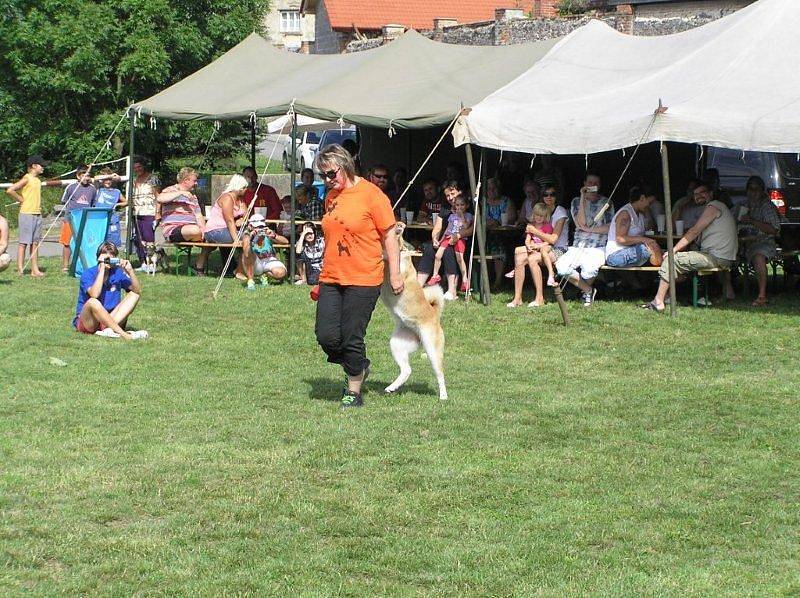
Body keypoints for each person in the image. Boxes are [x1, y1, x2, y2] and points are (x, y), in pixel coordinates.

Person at [314, 144, 402, 408]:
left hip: (364, 277)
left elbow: (389, 235)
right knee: (326, 335)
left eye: (331, 174)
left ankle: (353, 390)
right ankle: (360, 365)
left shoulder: (372, 195)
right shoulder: (331, 197)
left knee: (352, 335)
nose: (328, 180)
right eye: (323, 176)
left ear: (346, 165)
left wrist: (395, 273)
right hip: (331, 275)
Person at [642, 182, 737, 312]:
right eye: (695, 194)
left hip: (716, 257)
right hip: (724, 256)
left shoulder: (713, 207)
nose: (698, 196)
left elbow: (694, 231)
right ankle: (670, 296)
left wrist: (673, 250)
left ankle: (659, 301)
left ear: (710, 193)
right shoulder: (718, 207)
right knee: (685, 256)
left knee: (672, 259)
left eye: (702, 192)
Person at [507, 185, 570, 308]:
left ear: (557, 196)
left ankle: (539, 298)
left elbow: (553, 239)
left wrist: (534, 232)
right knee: (519, 258)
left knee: (532, 259)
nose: (549, 197)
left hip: (558, 248)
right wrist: (531, 242)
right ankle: (517, 298)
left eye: (552, 194)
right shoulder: (541, 211)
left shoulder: (560, 212)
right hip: (541, 246)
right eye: (545, 194)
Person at [556, 173, 613, 306]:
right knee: (562, 268)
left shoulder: (607, 202)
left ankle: (584, 292)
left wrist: (590, 230)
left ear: (600, 186)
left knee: (589, 270)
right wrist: (582, 197)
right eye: (590, 182)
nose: (592, 185)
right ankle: (588, 290)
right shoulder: (576, 201)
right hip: (578, 246)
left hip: (598, 246)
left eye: (596, 183)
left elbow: (609, 227)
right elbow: (579, 223)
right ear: (584, 184)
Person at [73, 241, 147, 340]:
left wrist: (130, 271)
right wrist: (102, 269)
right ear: (98, 258)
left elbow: (137, 291)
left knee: (134, 295)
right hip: (90, 321)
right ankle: (124, 335)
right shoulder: (88, 274)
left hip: (111, 317)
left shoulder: (117, 273)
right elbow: (94, 294)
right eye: (105, 259)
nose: (108, 262)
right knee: (93, 302)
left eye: (110, 259)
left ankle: (108, 330)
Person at [416, 179, 465, 300]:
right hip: (445, 239)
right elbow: (438, 226)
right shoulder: (445, 208)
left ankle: (451, 290)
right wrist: (434, 238)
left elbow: (472, 227)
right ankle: (418, 286)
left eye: (452, 194)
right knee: (429, 249)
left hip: (461, 241)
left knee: (448, 251)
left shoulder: (465, 206)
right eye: (447, 195)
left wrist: (458, 235)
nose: (450, 198)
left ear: (460, 192)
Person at [739, 175, 781, 306]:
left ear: (762, 191)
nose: (753, 192)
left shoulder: (766, 207)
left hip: (763, 242)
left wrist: (751, 220)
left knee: (759, 257)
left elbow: (774, 230)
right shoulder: (742, 205)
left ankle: (762, 295)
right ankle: (726, 291)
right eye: (750, 189)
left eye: (757, 189)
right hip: (742, 242)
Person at [195, 174, 249, 274]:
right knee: (247, 239)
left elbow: (246, 214)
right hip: (215, 231)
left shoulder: (240, 199)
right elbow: (229, 220)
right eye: (244, 187)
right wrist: (236, 239)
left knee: (248, 237)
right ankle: (239, 271)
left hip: (227, 230)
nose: (246, 189)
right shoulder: (227, 198)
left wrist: (243, 219)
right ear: (238, 188)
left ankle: (237, 268)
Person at [6, 155, 48, 277]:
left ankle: (34, 270)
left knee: (35, 243)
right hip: (26, 214)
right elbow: (10, 190)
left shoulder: (38, 180)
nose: (43, 168)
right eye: (41, 165)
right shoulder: (27, 178)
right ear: (34, 166)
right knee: (23, 243)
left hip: (37, 214)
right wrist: (21, 199)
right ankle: (20, 269)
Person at [605, 185, 663, 268]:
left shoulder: (640, 214)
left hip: (630, 251)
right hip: (616, 255)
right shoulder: (626, 213)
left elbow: (650, 227)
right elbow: (620, 239)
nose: (649, 206)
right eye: (649, 203)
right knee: (646, 250)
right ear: (642, 198)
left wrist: (647, 212)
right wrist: (644, 239)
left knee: (658, 249)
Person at [427, 195, 473, 293]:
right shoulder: (451, 216)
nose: (459, 207)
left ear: (467, 206)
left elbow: (466, 226)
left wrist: (461, 216)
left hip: (460, 238)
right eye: (457, 205)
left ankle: (465, 280)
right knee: (438, 255)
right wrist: (441, 239)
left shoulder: (468, 215)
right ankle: (435, 276)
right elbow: (448, 228)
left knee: (460, 259)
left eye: (462, 205)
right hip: (448, 237)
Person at [59, 165, 97, 272]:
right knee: (67, 243)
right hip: (70, 220)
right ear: (78, 176)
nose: (86, 178)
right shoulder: (71, 187)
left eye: (88, 176)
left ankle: (82, 264)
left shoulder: (92, 189)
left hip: (85, 220)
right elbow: (64, 201)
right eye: (83, 175)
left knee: (84, 243)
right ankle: (65, 265)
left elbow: (93, 204)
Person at [157, 167, 204, 244]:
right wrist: (180, 193)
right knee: (195, 231)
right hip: (173, 230)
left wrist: (203, 229)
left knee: (209, 234)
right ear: (186, 180)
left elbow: (199, 215)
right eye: (194, 181)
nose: (196, 183)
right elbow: (160, 198)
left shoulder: (193, 197)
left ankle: (203, 255)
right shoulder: (170, 190)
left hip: (191, 230)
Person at [484, 177, 517, 288]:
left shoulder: (506, 201)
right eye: (489, 188)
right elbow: (478, 219)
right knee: (483, 243)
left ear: (499, 188)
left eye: (494, 188)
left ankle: (498, 280)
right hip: (486, 233)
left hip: (504, 234)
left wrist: (496, 222)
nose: (491, 191)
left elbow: (511, 218)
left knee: (498, 244)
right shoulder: (483, 202)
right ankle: (486, 279)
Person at [243, 213, 288, 290]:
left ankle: (265, 276)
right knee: (248, 254)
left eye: (262, 227)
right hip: (255, 263)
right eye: (257, 227)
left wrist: (274, 236)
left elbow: (285, 241)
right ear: (250, 227)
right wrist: (251, 238)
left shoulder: (268, 233)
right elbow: (246, 253)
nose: (260, 229)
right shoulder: (247, 235)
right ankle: (250, 281)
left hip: (269, 260)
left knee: (281, 273)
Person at [130, 156, 161, 266]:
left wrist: (158, 213)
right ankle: (143, 261)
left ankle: (152, 261)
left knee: (148, 237)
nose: (137, 169)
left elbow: (158, 196)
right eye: (135, 167)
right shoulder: (133, 180)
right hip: (137, 213)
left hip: (149, 212)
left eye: (139, 167)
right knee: (138, 238)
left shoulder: (152, 178)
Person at [92, 168, 128, 248]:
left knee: (112, 243)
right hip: (100, 219)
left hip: (112, 219)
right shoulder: (99, 189)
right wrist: (110, 175)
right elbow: (95, 178)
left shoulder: (116, 191)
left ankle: (111, 257)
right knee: (99, 242)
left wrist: (117, 204)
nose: (108, 181)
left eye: (110, 180)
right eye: (105, 179)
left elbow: (126, 202)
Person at [295, 221, 325, 285]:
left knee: (312, 281)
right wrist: (303, 234)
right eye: (307, 234)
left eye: (311, 233)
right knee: (299, 255)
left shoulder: (321, 241)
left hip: (321, 268)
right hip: (309, 268)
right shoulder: (302, 243)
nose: (309, 236)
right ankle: (303, 279)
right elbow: (298, 251)